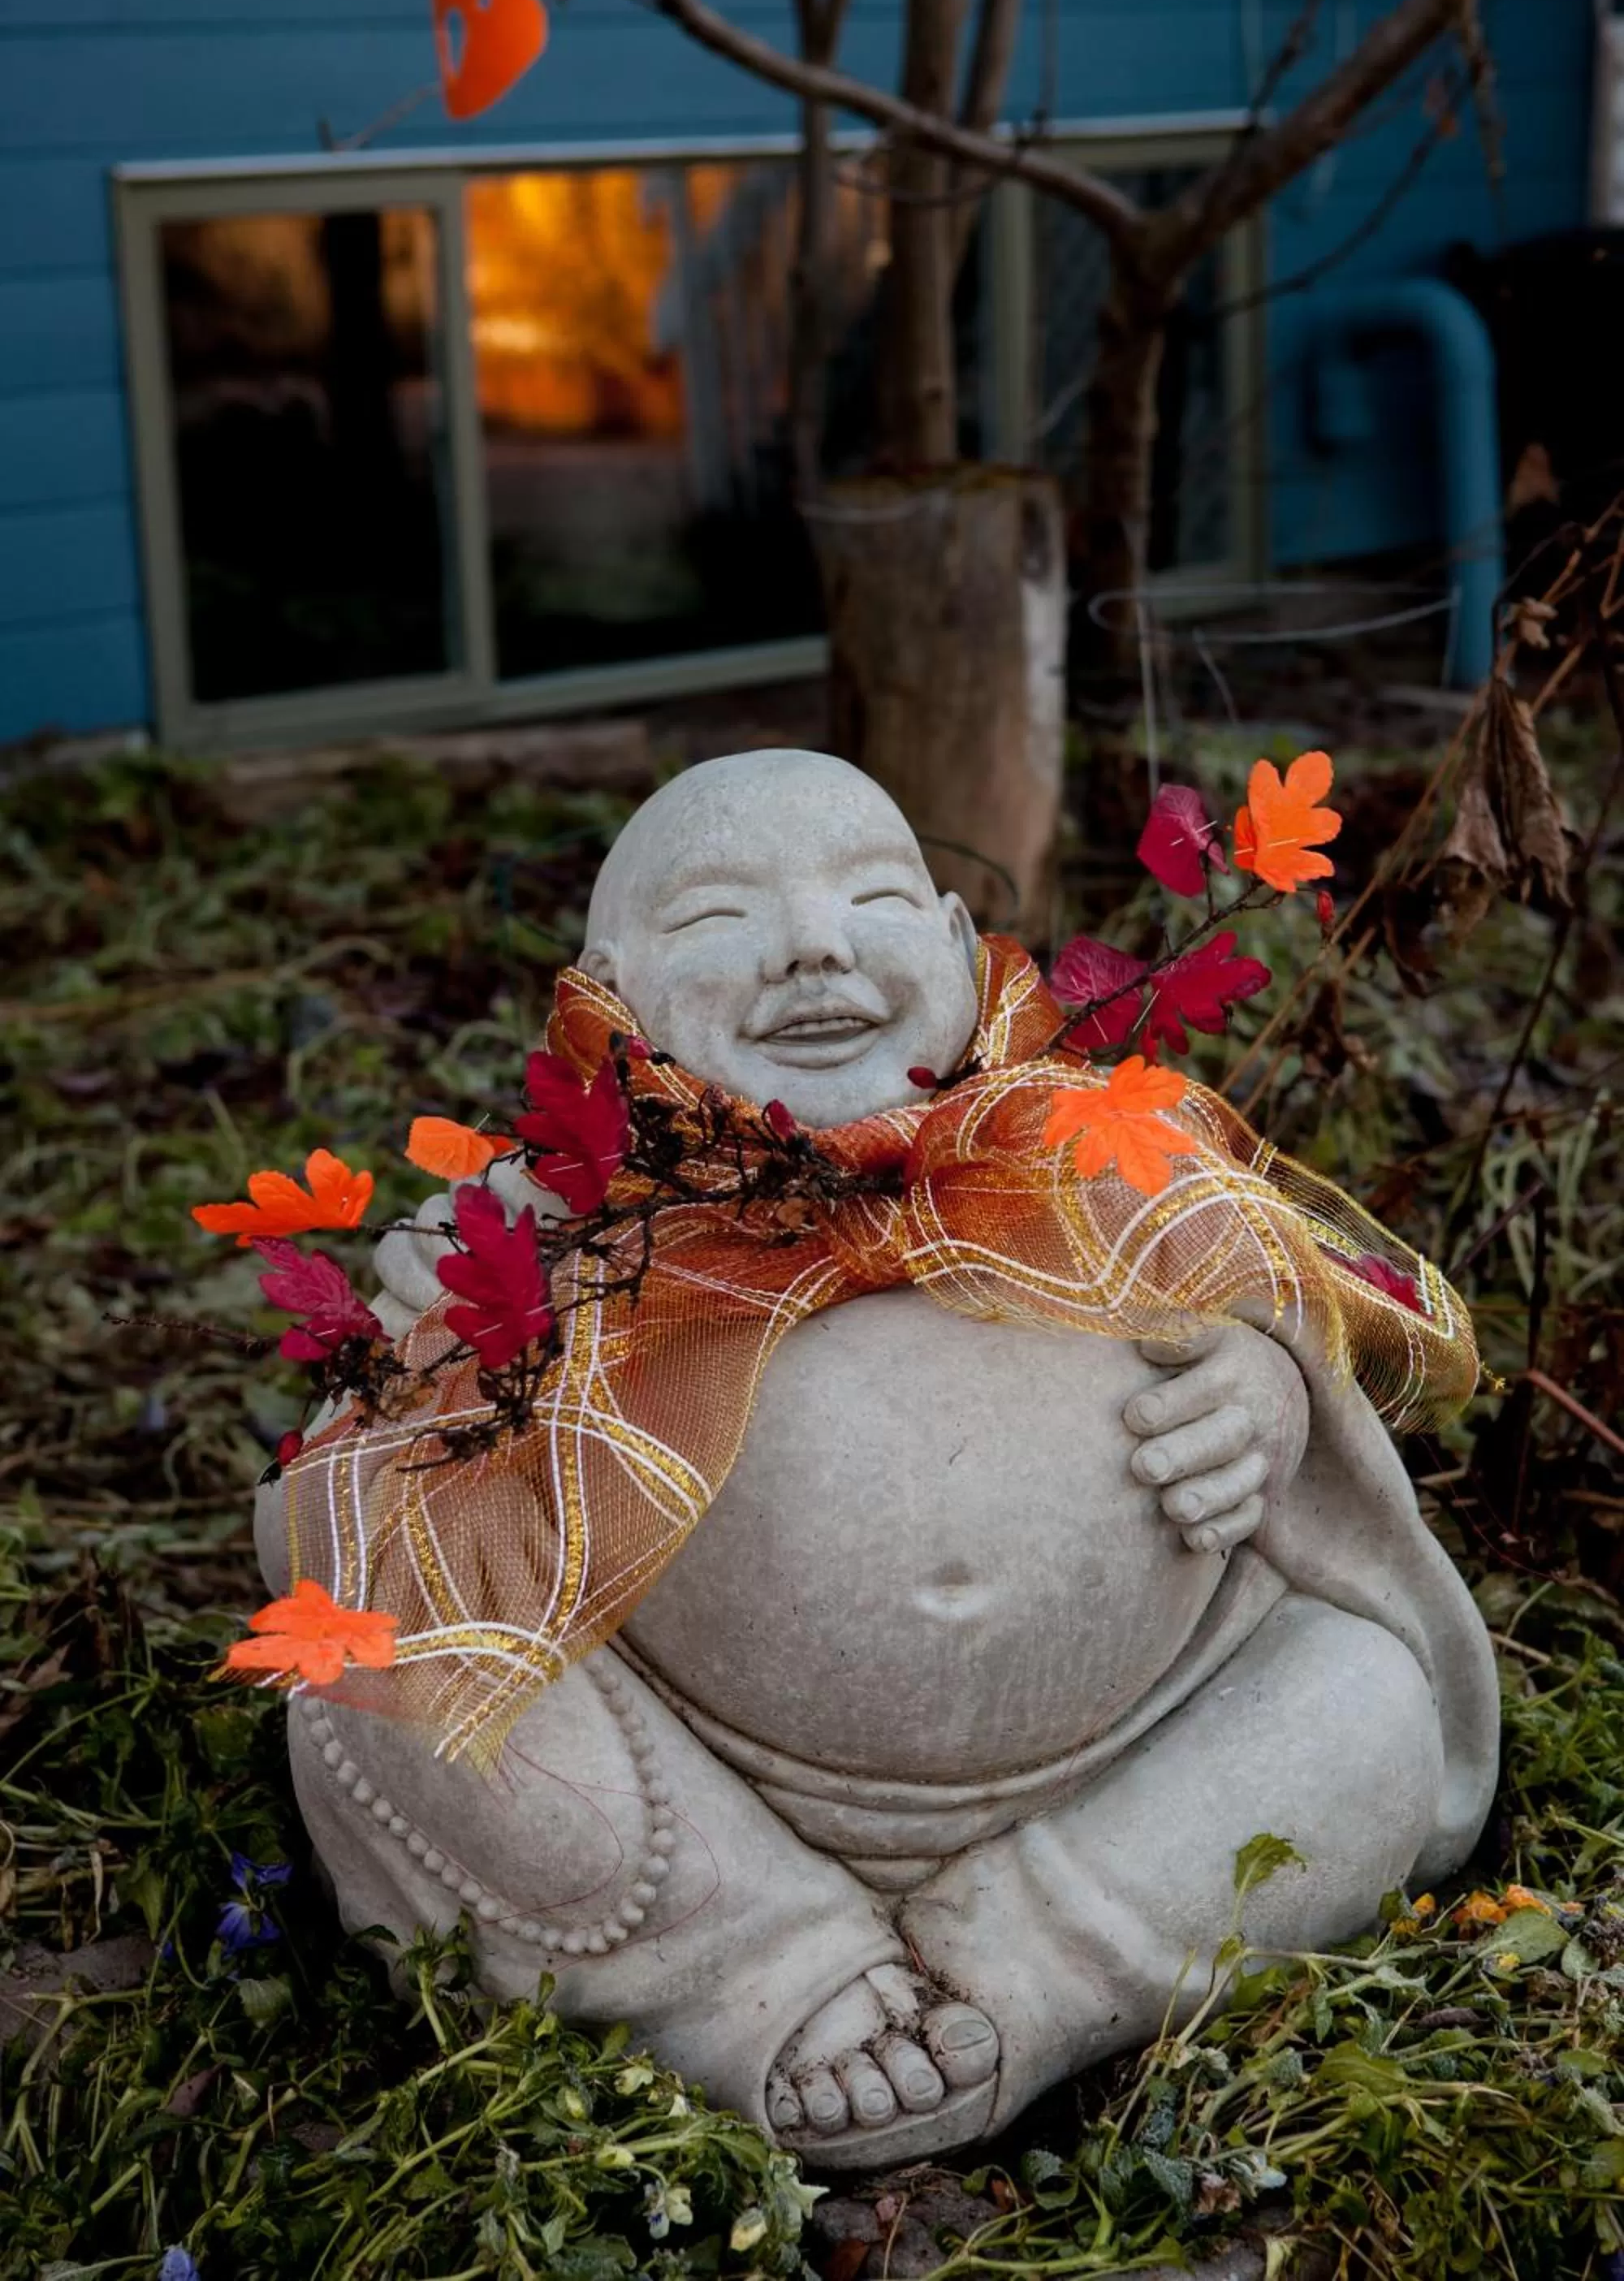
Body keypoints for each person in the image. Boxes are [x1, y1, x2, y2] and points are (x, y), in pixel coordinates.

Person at [257, 751, 1497, 2167]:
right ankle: (757, 1977)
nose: (816, 944)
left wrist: (1267, 1398)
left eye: (875, 897)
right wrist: (435, 1371)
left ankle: (1035, 1974)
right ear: (606, 990)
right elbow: (342, 1519)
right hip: (696, 1804)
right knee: (366, 1669)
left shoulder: (1092, 1155)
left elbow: (1280, 1332)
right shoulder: (544, 1234)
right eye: (722, 919)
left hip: (1132, 1756)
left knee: (1368, 1701)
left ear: (967, 947)